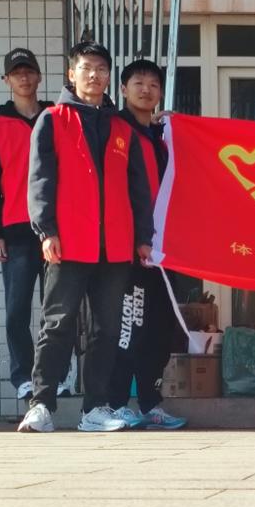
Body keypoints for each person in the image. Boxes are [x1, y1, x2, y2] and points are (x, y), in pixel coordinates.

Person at [17, 41, 154, 433]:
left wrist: (143, 237)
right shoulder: (52, 120)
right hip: (68, 243)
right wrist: (46, 230)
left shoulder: (122, 128)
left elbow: (138, 189)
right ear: (71, 74)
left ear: (109, 77)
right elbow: (40, 180)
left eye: (101, 69)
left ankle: (95, 409)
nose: (95, 75)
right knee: (57, 325)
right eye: (87, 68)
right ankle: (41, 405)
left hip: (115, 247)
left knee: (107, 330)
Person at [0, 48, 77, 400]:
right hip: (16, 231)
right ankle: (23, 377)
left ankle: (59, 377)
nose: (23, 77)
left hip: (57, 230)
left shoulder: (57, 118)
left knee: (59, 312)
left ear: (38, 76)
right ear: (7, 80)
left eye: (29, 71)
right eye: (16, 72)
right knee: (16, 312)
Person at [108, 59, 186, 430]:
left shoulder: (161, 136)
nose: (146, 89)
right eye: (138, 82)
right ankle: (116, 403)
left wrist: (177, 130)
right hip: (130, 250)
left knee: (160, 329)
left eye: (154, 84)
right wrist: (137, 238)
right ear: (123, 89)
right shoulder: (114, 130)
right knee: (130, 327)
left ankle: (151, 402)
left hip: (165, 248)